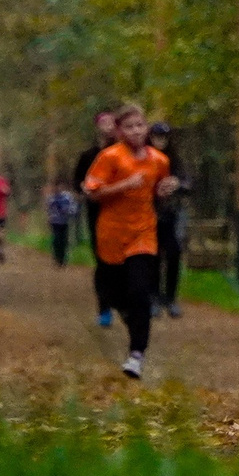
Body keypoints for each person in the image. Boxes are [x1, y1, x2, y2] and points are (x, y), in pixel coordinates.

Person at [82, 102, 179, 379]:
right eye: (129, 127)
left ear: (146, 128)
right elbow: (92, 192)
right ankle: (125, 313)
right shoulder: (110, 157)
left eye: (140, 125)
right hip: (112, 233)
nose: (136, 131)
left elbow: (159, 189)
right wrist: (124, 185)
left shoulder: (158, 159)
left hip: (143, 232)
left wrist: (166, 188)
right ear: (120, 131)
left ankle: (137, 354)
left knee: (140, 291)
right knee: (114, 292)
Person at [74, 109, 119, 327]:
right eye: (104, 122)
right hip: (96, 214)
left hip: (122, 213)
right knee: (103, 261)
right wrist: (86, 191)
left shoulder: (124, 153)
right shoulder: (88, 156)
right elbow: (78, 184)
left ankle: (125, 303)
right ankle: (104, 308)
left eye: (112, 122)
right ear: (97, 126)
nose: (108, 126)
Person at [147, 123, 189, 318]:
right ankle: (153, 297)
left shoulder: (176, 160)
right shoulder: (144, 157)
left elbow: (189, 182)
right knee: (153, 256)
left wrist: (178, 184)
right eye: (156, 137)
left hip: (172, 214)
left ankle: (170, 298)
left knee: (173, 253)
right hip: (148, 213)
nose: (160, 141)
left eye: (163, 137)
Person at [46, 184, 79, 268]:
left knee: (64, 240)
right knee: (56, 240)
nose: (57, 188)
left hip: (64, 222)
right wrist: (49, 218)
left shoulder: (67, 197)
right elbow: (49, 210)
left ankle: (63, 259)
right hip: (55, 222)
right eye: (56, 187)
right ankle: (57, 258)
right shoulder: (51, 198)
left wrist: (68, 211)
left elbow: (73, 209)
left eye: (59, 187)